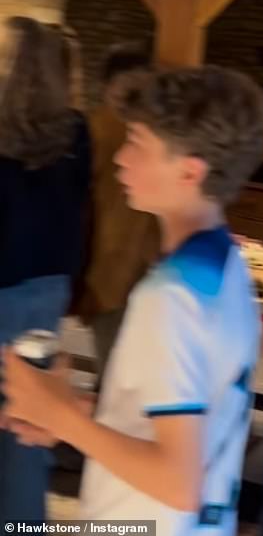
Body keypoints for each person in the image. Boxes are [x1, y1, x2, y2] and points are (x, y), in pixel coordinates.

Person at [2, 65, 263, 535]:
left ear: (190, 170)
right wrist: (82, 417)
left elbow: (176, 481)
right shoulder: (227, 267)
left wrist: (59, 415)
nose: (120, 159)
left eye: (138, 143)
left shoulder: (171, 297)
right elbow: (182, 424)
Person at [0, 17, 91, 523]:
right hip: (49, 291)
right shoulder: (76, 130)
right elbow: (81, 205)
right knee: (28, 426)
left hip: (5, 285)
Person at [77, 43, 159, 380]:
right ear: (109, 88)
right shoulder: (97, 131)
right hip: (110, 274)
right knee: (117, 376)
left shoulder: (138, 133)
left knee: (119, 375)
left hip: (131, 273)